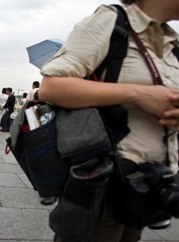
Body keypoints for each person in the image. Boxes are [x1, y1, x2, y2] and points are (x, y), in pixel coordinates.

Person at [39, 1, 179, 241]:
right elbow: (51, 87)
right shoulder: (113, 21)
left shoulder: (172, 45)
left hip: (148, 187)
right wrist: (136, 93)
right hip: (103, 186)